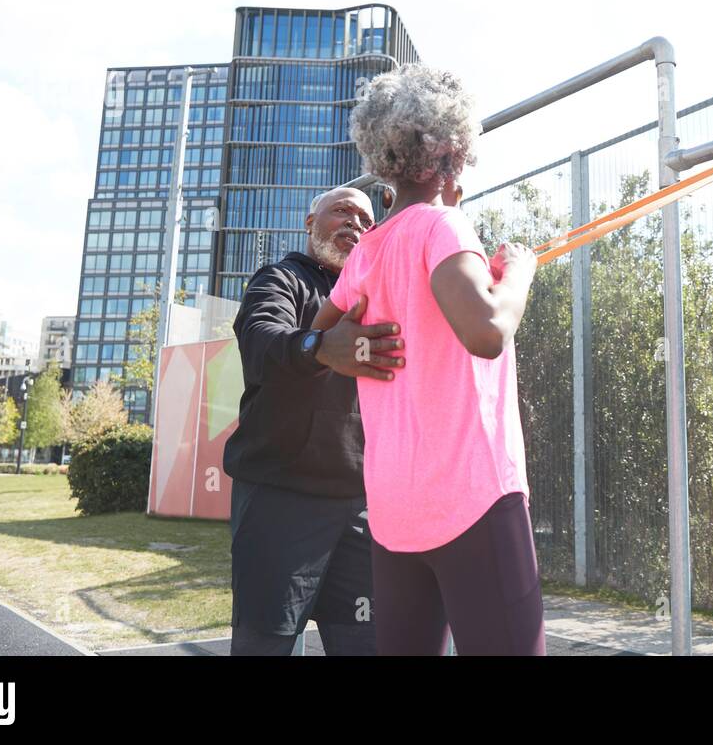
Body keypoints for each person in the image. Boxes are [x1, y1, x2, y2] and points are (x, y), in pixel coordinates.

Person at [312, 64, 545, 655]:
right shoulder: (444, 225)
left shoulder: (368, 251)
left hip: (395, 510)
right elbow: (488, 330)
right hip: (472, 496)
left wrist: (351, 355)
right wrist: (519, 270)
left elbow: (319, 339)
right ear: (452, 152)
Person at [225, 186, 406, 656]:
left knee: (369, 645)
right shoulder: (280, 279)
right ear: (309, 223)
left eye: (366, 220)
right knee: (264, 647)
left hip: (361, 507)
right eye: (341, 211)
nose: (355, 224)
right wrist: (320, 346)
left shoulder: (381, 293)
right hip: (279, 500)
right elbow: (262, 340)